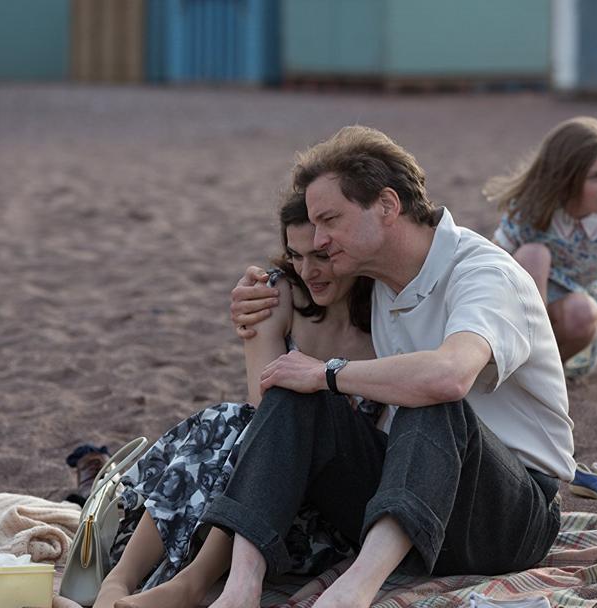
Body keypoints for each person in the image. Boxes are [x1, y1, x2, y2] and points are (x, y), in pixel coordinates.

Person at [217, 125, 575, 608]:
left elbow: (450, 375)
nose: (319, 239)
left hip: (508, 517)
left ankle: (354, 592)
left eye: (329, 220)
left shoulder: (485, 275)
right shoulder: (377, 281)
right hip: (410, 503)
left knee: (432, 396)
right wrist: (255, 300)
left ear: (387, 205)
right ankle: (240, 588)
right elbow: (302, 286)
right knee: (292, 389)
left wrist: (326, 373)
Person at [86, 191, 379, 608]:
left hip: (324, 517)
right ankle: (119, 582)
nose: (308, 270)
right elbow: (267, 413)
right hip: (261, 494)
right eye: (295, 256)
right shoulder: (276, 295)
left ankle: (188, 583)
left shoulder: (387, 315)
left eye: (321, 256)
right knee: (233, 421)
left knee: (241, 425)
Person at [482, 116, 597, 397]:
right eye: (596, 176)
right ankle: (518, 362)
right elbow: (486, 265)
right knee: (534, 254)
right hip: (525, 315)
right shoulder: (531, 209)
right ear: (566, 178)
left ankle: (542, 372)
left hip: (575, 329)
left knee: (582, 311)